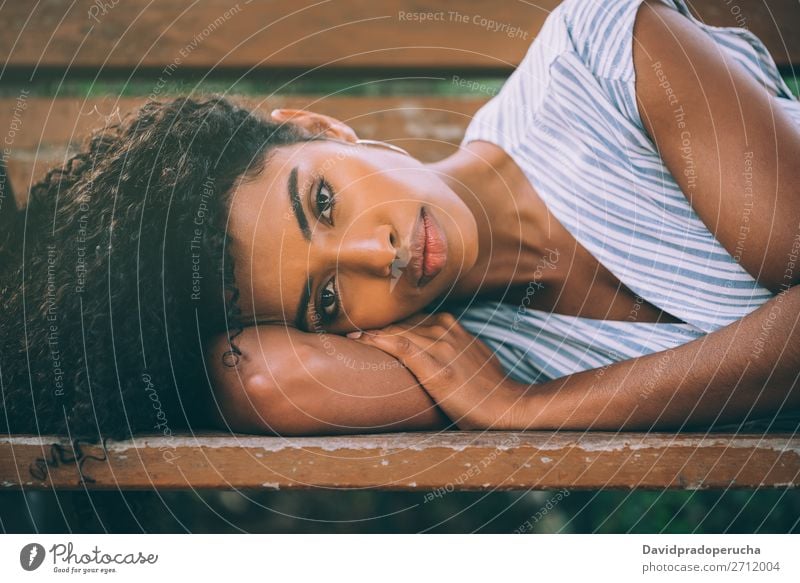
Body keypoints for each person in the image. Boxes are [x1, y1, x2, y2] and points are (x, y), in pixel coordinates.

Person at [1, 0, 798, 439]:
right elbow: (268, 378)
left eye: (320, 201)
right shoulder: (466, 350)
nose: (373, 256)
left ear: (320, 128)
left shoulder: (599, 58)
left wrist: (529, 412)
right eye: (325, 299)